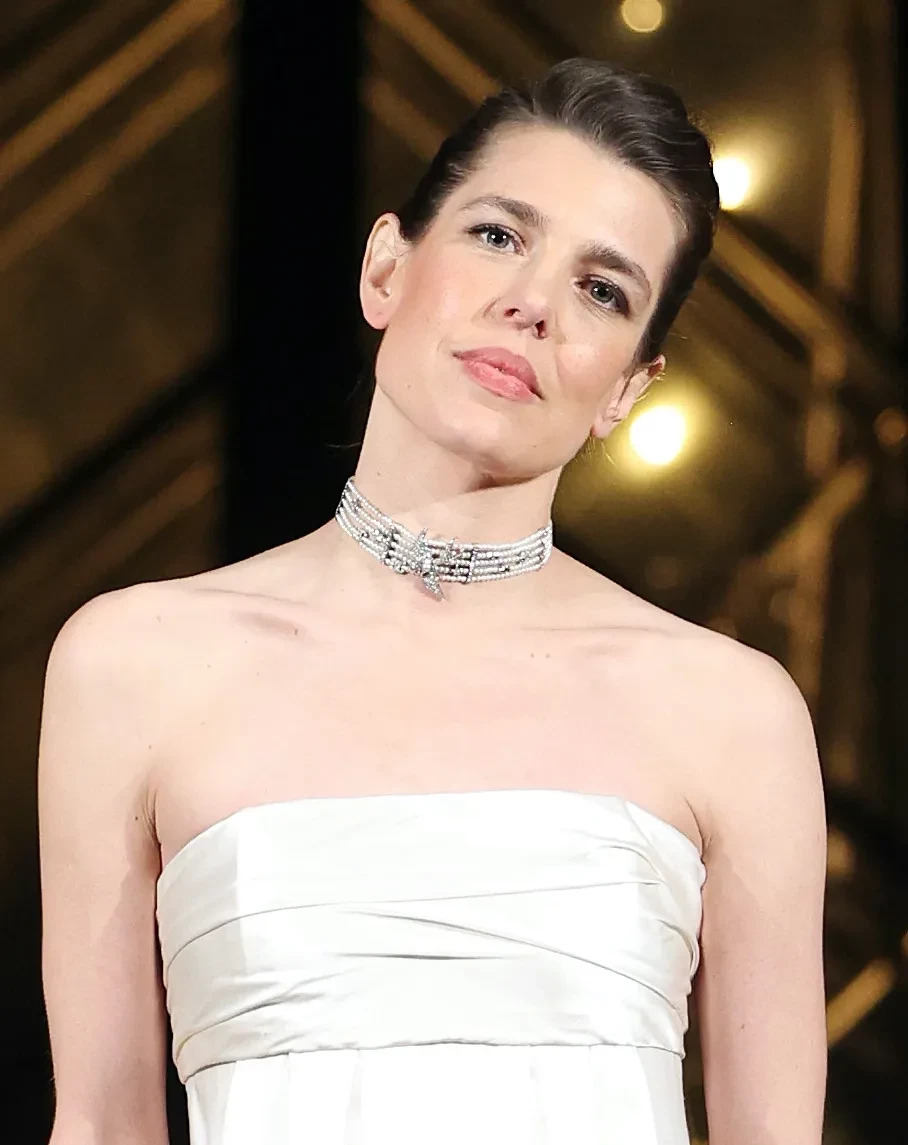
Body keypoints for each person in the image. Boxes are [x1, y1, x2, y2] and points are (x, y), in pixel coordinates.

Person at [38, 57, 827, 1145]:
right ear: (384, 270)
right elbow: (99, 1123)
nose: (531, 304)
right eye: (498, 235)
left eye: (602, 291)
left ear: (627, 389)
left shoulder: (731, 714)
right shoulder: (134, 664)